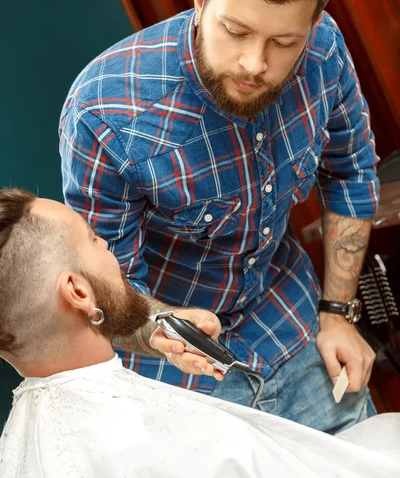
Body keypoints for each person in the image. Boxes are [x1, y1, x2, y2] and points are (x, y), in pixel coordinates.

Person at [59, 0, 379, 434]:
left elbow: (350, 170)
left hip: (296, 332)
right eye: (235, 30)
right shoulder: (104, 112)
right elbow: (107, 286)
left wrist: (337, 312)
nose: (255, 63)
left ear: (313, 24)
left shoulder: (324, 51)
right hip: (183, 379)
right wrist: (157, 330)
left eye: (283, 43)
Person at [0, 188, 399, 478]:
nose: (107, 245)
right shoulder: (179, 445)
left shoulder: (15, 447)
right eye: (92, 239)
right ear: (79, 292)